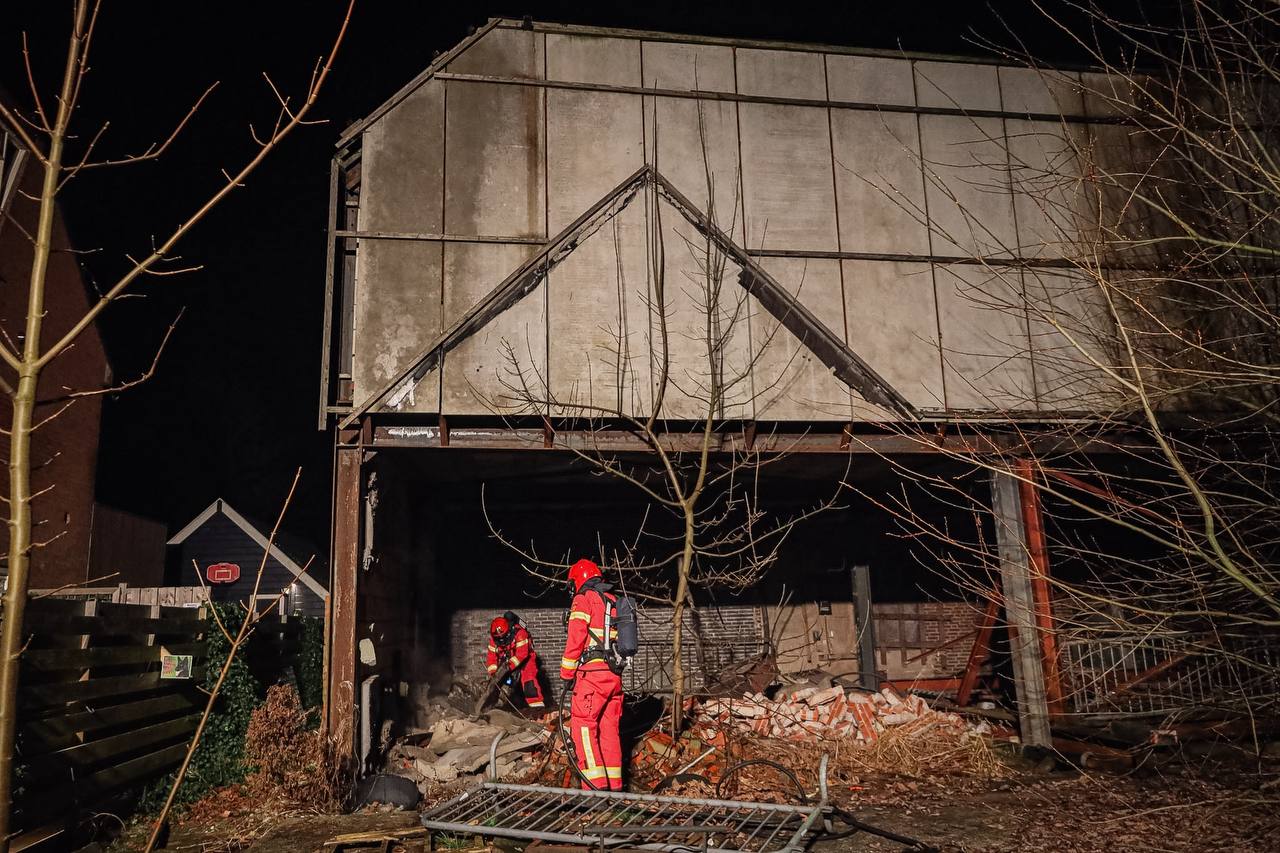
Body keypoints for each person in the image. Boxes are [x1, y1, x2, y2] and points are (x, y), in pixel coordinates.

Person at [560, 558, 623, 791]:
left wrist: (566, 673)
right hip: (614, 677)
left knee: (584, 728)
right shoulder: (613, 601)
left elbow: (575, 639)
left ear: (578, 581)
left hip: (592, 677)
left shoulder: (583, 600)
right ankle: (614, 787)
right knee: (609, 731)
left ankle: (595, 792)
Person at [485, 611, 545, 710]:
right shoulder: (494, 640)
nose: (501, 640)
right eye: (498, 638)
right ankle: (495, 705)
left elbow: (522, 655)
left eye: (503, 637)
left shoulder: (521, 634)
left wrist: (508, 667)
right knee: (499, 682)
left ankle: (537, 706)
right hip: (508, 660)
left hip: (526, 659)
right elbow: (492, 658)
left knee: (528, 680)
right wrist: (494, 673)